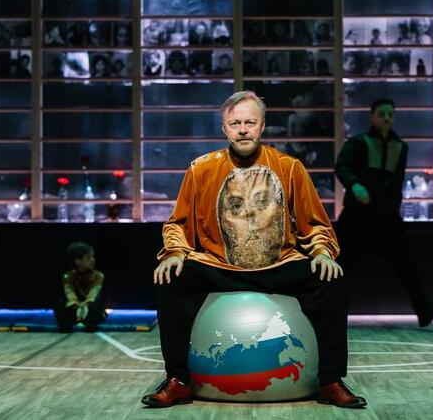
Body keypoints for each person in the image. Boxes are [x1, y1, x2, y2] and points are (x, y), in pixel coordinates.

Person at [140, 91, 368, 409]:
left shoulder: (289, 167)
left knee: (330, 280)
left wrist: (321, 252)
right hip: (218, 265)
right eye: (235, 124)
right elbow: (178, 223)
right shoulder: (201, 169)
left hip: (278, 265)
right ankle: (177, 380)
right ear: (224, 128)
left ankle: (330, 381)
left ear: (262, 126)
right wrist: (175, 253)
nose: (243, 129)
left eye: (250, 122)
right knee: (172, 279)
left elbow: (316, 223)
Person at [335, 98, 433, 329]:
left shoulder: (400, 147)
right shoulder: (358, 142)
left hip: (385, 216)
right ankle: (328, 312)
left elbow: (396, 180)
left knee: (405, 264)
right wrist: (355, 185)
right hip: (357, 215)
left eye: (390, 114)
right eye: (382, 114)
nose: (387, 118)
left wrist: (390, 206)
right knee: (339, 266)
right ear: (372, 116)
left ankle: (423, 309)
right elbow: (342, 166)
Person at [53, 242, 107, 333]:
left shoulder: (98, 276)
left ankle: (90, 324)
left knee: (98, 301)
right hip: (75, 310)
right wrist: (77, 307)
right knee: (58, 301)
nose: (92, 260)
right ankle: (66, 326)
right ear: (77, 261)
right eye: (88, 258)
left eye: (93, 257)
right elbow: (69, 293)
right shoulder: (68, 276)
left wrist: (86, 305)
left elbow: (94, 292)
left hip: (89, 310)